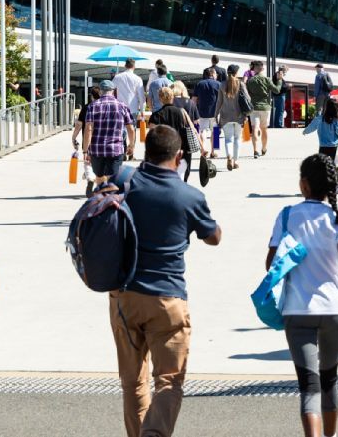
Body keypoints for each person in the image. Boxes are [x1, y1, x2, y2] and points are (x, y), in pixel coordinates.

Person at [110, 126, 221, 437]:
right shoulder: (188, 196)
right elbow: (213, 236)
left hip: (124, 296)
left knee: (133, 382)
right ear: (180, 156)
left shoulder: (123, 180)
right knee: (169, 381)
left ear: (147, 152)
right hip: (167, 299)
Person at [266, 154, 338, 437]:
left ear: (304, 184)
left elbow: (271, 264)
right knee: (330, 380)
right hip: (334, 309)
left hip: (297, 311)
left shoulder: (286, 215)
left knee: (309, 387)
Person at [83, 80, 138, 195]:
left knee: (99, 176)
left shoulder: (93, 106)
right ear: (113, 91)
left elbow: (88, 129)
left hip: (96, 149)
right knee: (113, 178)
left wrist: (85, 150)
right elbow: (131, 129)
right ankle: (110, 199)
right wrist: (131, 145)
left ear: (101, 91)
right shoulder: (122, 106)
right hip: (115, 149)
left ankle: (102, 195)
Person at [149, 86, 201, 182]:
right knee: (182, 175)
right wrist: (202, 148)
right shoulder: (182, 112)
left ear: (160, 99)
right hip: (183, 148)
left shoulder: (156, 115)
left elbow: (151, 137)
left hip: (165, 150)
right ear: (172, 97)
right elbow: (194, 128)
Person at [246, 61, 281, 158]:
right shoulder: (267, 79)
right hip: (265, 107)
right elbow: (277, 90)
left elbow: (247, 94)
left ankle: (255, 150)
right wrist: (279, 80)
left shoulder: (250, 80)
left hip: (254, 107)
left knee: (255, 128)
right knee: (264, 128)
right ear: (262, 68)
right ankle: (264, 148)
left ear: (254, 69)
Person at [217, 70, 248, 171]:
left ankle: (229, 156)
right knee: (237, 139)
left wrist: (215, 115)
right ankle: (236, 161)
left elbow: (219, 102)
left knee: (228, 139)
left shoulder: (222, 85)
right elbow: (248, 99)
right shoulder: (240, 84)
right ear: (236, 73)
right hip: (239, 116)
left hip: (225, 116)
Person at [113, 59, 146, 154]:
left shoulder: (118, 77)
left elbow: (111, 88)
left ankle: (122, 151)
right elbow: (141, 96)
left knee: (121, 130)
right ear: (134, 66)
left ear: (125, 66)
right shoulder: (138, 79)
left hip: (120, 108)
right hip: (133, 108)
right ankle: (131, 151)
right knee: (132, 130)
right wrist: (142, 110)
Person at [194, 68, 223, 160]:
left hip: (202, 112)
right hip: (215, 112)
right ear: (213, 74)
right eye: (216, 74)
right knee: (215, 131)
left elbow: (194, 100)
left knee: (202, 131)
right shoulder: (219, 84)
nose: (217, 75)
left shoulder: (200, 84)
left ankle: (203, 151)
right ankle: (213, 152)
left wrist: (193, 112)